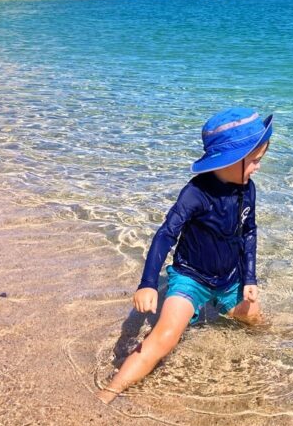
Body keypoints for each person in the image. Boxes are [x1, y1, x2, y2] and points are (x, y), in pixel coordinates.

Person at [98, 107, 273, 404]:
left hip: (230, 279)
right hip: (191, 277)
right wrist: (148, 283)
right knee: (164, 338)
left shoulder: (248, 189)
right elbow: (166, 234)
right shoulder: (195, 194)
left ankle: (266, 368)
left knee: (256, 322)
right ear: (231, 159)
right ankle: (108, 393)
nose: (258, 167)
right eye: (254, 160)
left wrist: (249, 278)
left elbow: (249, 232)